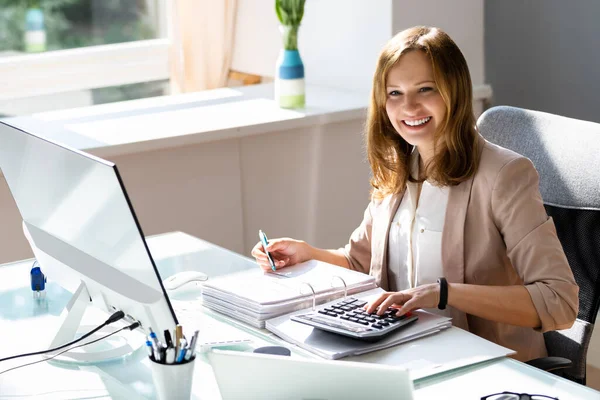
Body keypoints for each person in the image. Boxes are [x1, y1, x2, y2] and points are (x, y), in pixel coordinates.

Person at [251, 26, 578, 362]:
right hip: (404, 353)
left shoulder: (503, 176)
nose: (408, 106)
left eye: (425, 89)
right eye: (394, 93)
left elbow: (559, 301)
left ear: (455, 90)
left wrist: (442, 294)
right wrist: (308, 253)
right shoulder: (396, 167)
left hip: (483, 367)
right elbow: (361, 263)